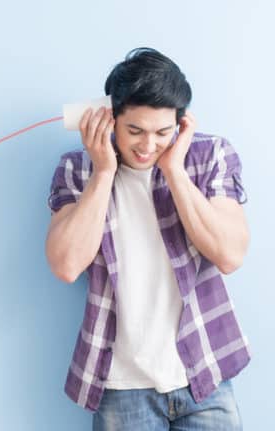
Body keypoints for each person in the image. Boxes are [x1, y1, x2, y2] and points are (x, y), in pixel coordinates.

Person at [45, 48, 249, 430]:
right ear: (111, 119)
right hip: (122, 387)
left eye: (162, 132)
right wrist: (103, 172)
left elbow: (229, 255)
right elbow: (66, 265)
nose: (147, 145)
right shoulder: (77, 168)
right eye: (135, 130)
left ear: (180, 124)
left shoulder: (209, 155)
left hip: (204, 374)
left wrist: (174, 170)